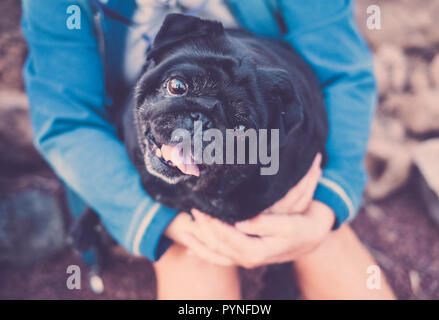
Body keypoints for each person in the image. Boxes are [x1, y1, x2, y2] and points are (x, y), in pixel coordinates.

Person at [22, 0, 395, 299]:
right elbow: (67, 119)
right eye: (179, 86)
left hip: (271, 156)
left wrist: (324, 209)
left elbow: (343, 72)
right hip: (130, 159)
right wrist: (157, 222)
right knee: (196, 263)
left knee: (323, 243)